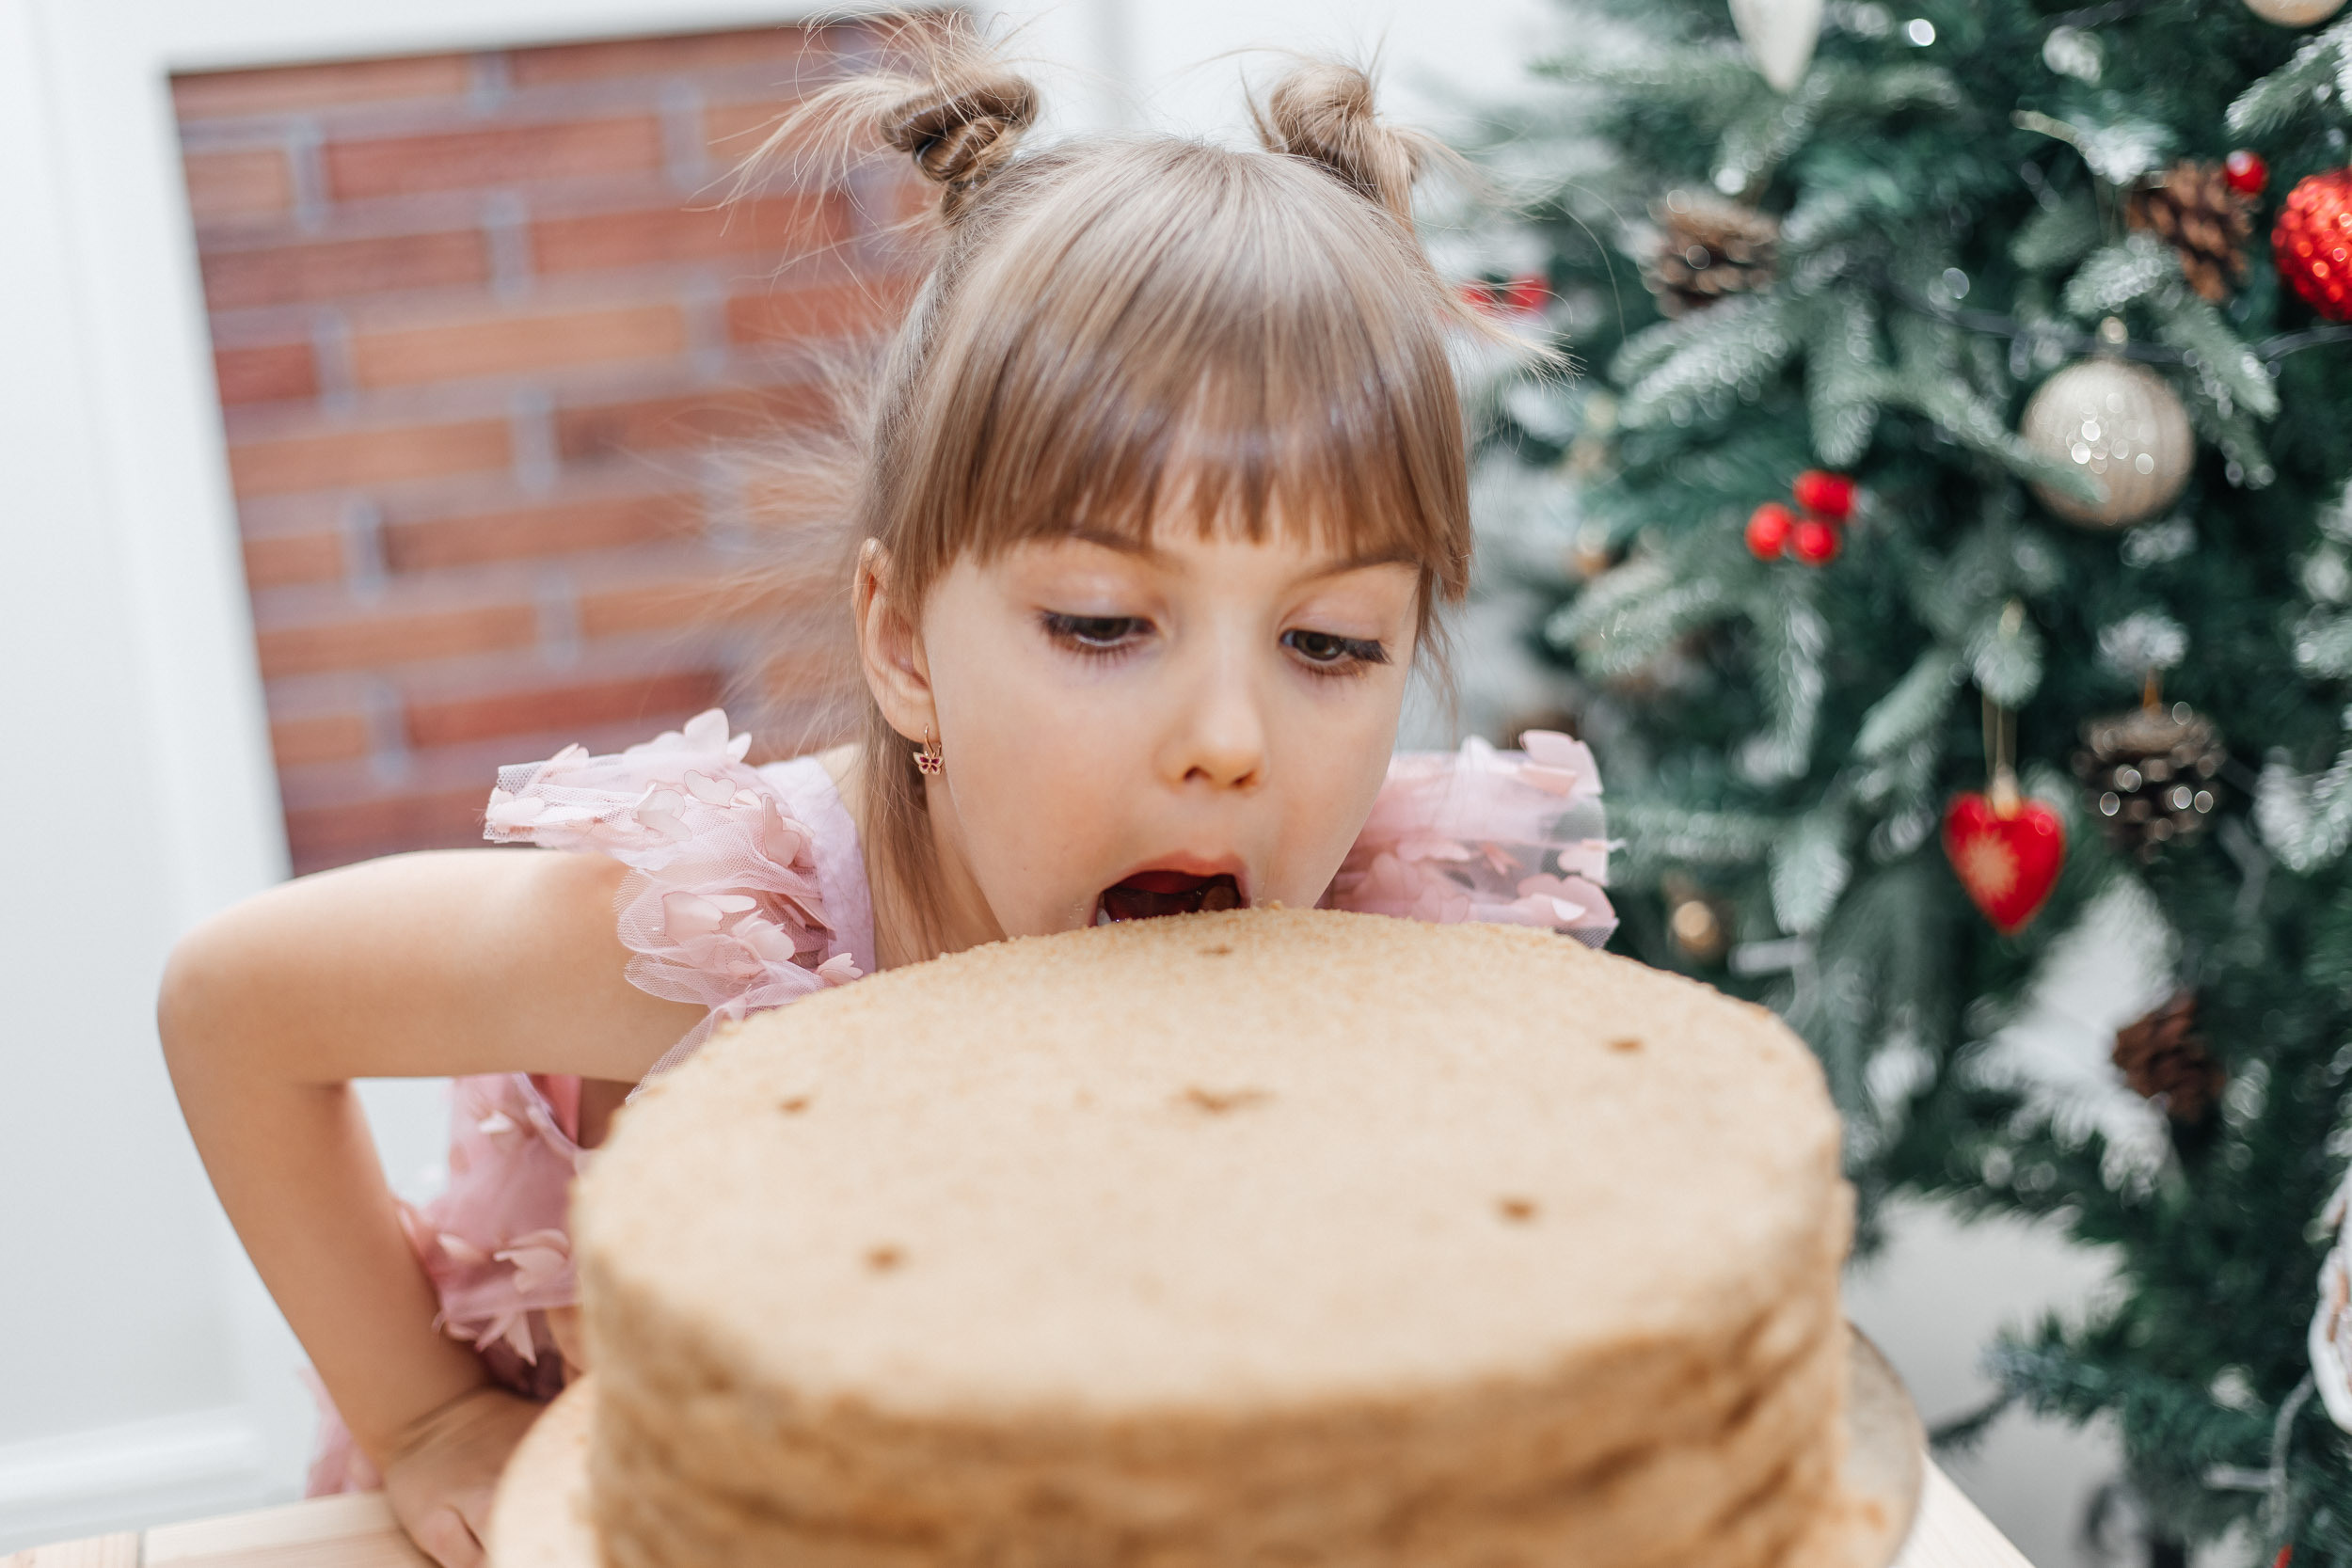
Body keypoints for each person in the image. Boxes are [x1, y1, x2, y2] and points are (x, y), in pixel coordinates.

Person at [156, 24, 1614, 1568]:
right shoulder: (722, 952)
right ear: (906, 645)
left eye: (1328, 642)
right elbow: (234, 1008)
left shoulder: (1388, 938)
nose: (1231, 741)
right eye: (1105, 626)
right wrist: (429, 1419)